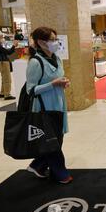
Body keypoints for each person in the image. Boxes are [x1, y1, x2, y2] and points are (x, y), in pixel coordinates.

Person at [26, 27, 73, 184]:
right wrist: (53, 84)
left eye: (55, 39)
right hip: (44, 107)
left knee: (56, 140)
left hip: (58, 105)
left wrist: (63, 82)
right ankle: (60, 173)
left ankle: (37, 165)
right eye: (52, 40)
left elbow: (58, 77)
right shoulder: (35, 62)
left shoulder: (57, 58)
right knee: (52, 142)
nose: (55, 42)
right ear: (41, 42)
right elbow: (31, 90)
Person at [0, 31, 16, 100]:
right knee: (7, 79)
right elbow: (8, 52)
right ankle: (7, 95)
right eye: (2, 37)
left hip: (0, 63)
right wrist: (14, 45)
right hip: (3, 63)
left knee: (4, 79)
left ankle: (2, 93)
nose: (3, 38)